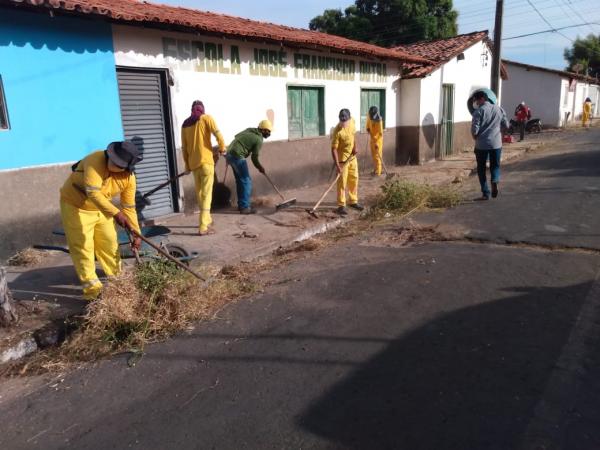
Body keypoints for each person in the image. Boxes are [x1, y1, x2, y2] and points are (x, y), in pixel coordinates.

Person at [59, 141, 143, 300]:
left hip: (102, 209)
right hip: (76, 207)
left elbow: (129, 207)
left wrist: (136, 233)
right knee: (83, 247)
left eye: (118, 164)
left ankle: (119, 281)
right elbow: (93, 193)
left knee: (110, 244)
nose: (112, 163)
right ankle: (93, 292)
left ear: (125, 167)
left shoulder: (129, 178)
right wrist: (117, 214)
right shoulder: (95, 159)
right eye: (112, 159)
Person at [181, 100, 226, 235]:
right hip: (206, 162)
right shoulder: (206, 118)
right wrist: (223, 148)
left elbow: (184, 148)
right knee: (207, 195)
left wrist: (187, 165)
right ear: (203, 109)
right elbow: (218, 134)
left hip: (194, 165)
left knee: (200, 194)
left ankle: (207, 219)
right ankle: (203, 226)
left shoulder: (185, 124)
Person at [225, 120, 272, 214]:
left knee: (240, 180)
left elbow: (236, 136)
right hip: (237, 156)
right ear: (263, 130)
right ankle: (245, 207)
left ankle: (242, 205)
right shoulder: (258, 139)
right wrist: (260, 167)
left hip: (229, 154)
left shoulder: (250, 130)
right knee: (246, 181)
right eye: (268, 131)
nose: (269, 133)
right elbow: (254, 158)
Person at [471, 89, 509, 200]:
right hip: (496, 144)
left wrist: (475, 137)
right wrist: (498, 132)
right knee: (495, 166)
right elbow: (506, 125)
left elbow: (474, 130)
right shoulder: (499, 109)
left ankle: (485, 193)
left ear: (482, 99)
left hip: (482, 145)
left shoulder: (478, 112)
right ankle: (495, 180)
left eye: (477, 100)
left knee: (481, 169)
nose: (476, 103)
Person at [331, 109, 364, 215]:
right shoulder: (337, 131)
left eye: (345, 121)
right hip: (342, 161)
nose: (343, 124)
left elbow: (353, 136)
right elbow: (334, 149)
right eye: (342, 121)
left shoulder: (352, 122)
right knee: (342, 183)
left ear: (349, 118)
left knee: (354, 179)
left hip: (352, 158)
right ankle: (341, 205)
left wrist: (355, 147)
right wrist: (337, 165)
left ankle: (353, 201)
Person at [366, 106, 384, 176]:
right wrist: (367, 128)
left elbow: (380, 133)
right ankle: (375, 169)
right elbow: (367, 122)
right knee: (373, 155)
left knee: (377, 156)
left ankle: (378, 172)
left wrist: (376, 143)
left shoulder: (379, 120)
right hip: (371, 138)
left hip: (378, 140)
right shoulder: (369, 115)